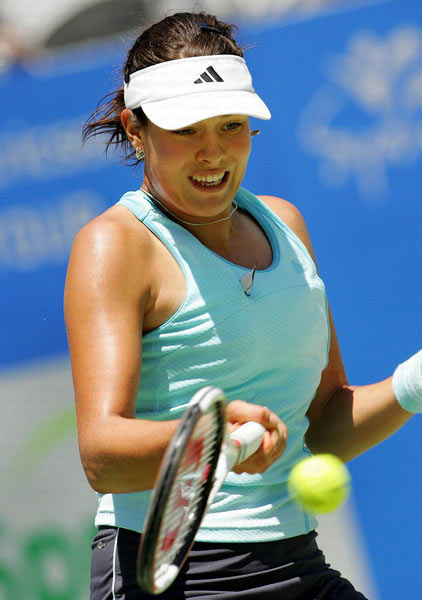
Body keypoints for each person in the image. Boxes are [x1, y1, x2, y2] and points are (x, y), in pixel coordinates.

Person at [64, 11, 422, 600]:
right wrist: (206, 437)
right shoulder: (115, 245)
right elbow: (102, 455)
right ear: (135, 130)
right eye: (186, 131)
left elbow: (323, 423)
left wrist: (413, 382)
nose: (212, 153)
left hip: (296, 563)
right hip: (174, 576)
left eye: (231, 126)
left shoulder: (286, 225)